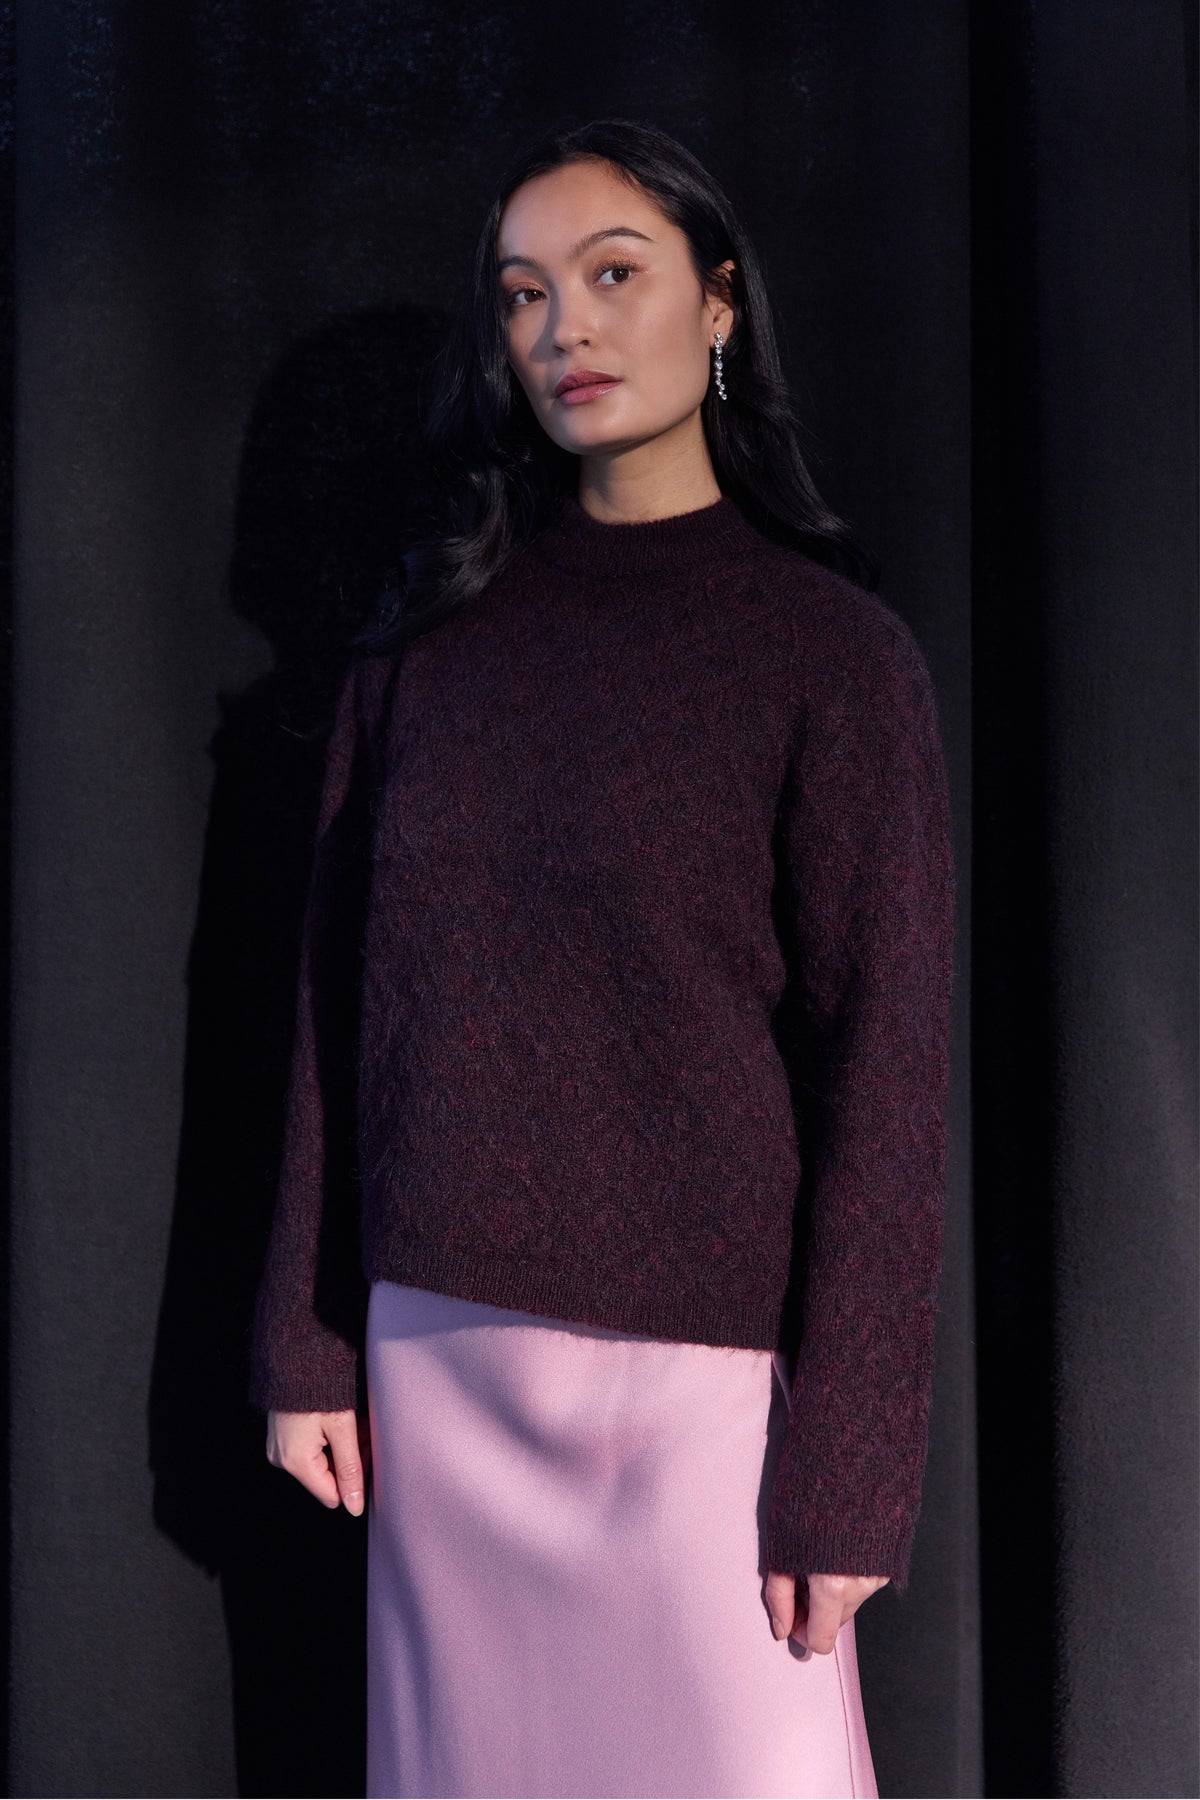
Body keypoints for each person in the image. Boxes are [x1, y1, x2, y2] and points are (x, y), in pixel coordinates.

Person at [249, 116, 956, 1800]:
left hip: (699, 1397)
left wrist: (851, 1468)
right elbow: (337, 1014)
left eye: (612, 273)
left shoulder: (832, 659)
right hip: (441, 1368)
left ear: (719, 303)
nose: (563, 325)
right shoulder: (425, 656)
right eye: (522, 293)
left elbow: (888, 1079)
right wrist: (306, 1337)